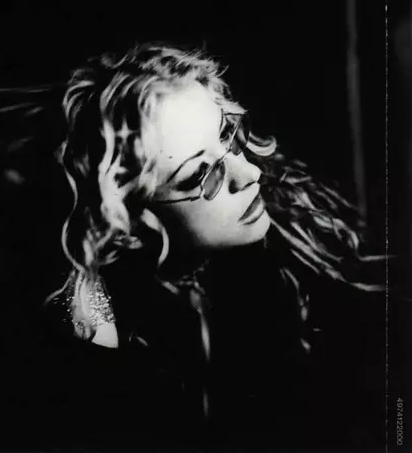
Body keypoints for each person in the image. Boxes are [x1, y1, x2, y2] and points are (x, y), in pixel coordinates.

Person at [34, 43, 387, 451]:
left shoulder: (300, 221)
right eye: (200, 174)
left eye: (226, 136)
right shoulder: (120, 332)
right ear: (127, 220)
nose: (250, 172)